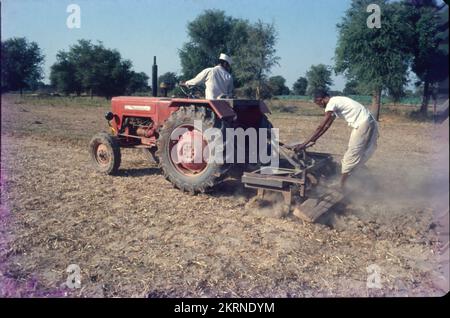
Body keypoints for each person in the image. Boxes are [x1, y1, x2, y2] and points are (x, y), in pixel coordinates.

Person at [293, 91, 379, 191]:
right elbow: (327, 126)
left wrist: (304, 144)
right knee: (360, 154)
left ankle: (341, 186)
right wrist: (314, 140)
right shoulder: (337, 101)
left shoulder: (331, 103)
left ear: (322, 99)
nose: (320, 106)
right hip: (369, 122)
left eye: (319, 104)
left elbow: (320, 126)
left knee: (350, 156)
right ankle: (364, 181)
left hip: (363, 124)